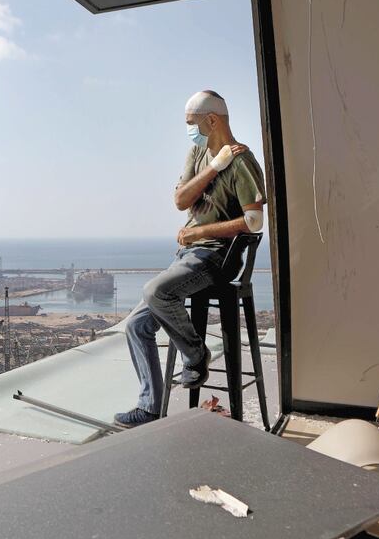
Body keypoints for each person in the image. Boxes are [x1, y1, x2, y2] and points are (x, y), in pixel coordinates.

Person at [114, 90, 266, 428]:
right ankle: (150, 408)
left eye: (191, 123)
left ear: (211, 120)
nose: (189, 130)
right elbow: (181, 200)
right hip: (188, 255)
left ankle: (196, 354)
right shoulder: (199, 153)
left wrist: (200, 233)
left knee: (156, 291)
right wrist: (214, 166)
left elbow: (254, 221)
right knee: (136, 325)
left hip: (216, 256)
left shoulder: (242, 162)